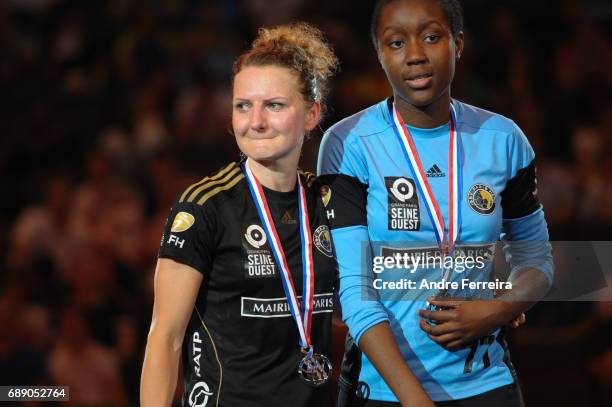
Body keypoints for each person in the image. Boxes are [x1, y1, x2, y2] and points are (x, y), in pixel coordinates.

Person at [317, 1, 553, 406]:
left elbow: (537, 260)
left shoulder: (503, 138)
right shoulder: (348, 143)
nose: (415, 56)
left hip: (487, 384)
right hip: (384, 391)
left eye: (431, 37)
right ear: (378, 52)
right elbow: (354, 291)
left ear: (457, 43)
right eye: (395, 43)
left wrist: (497, 308)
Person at [141, 22, 339, 407]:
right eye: (243, 106)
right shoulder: (204, 205)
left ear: (312, 114)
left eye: (274, 105)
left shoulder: (325, 201)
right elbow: (165, 337)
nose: (256, 121)